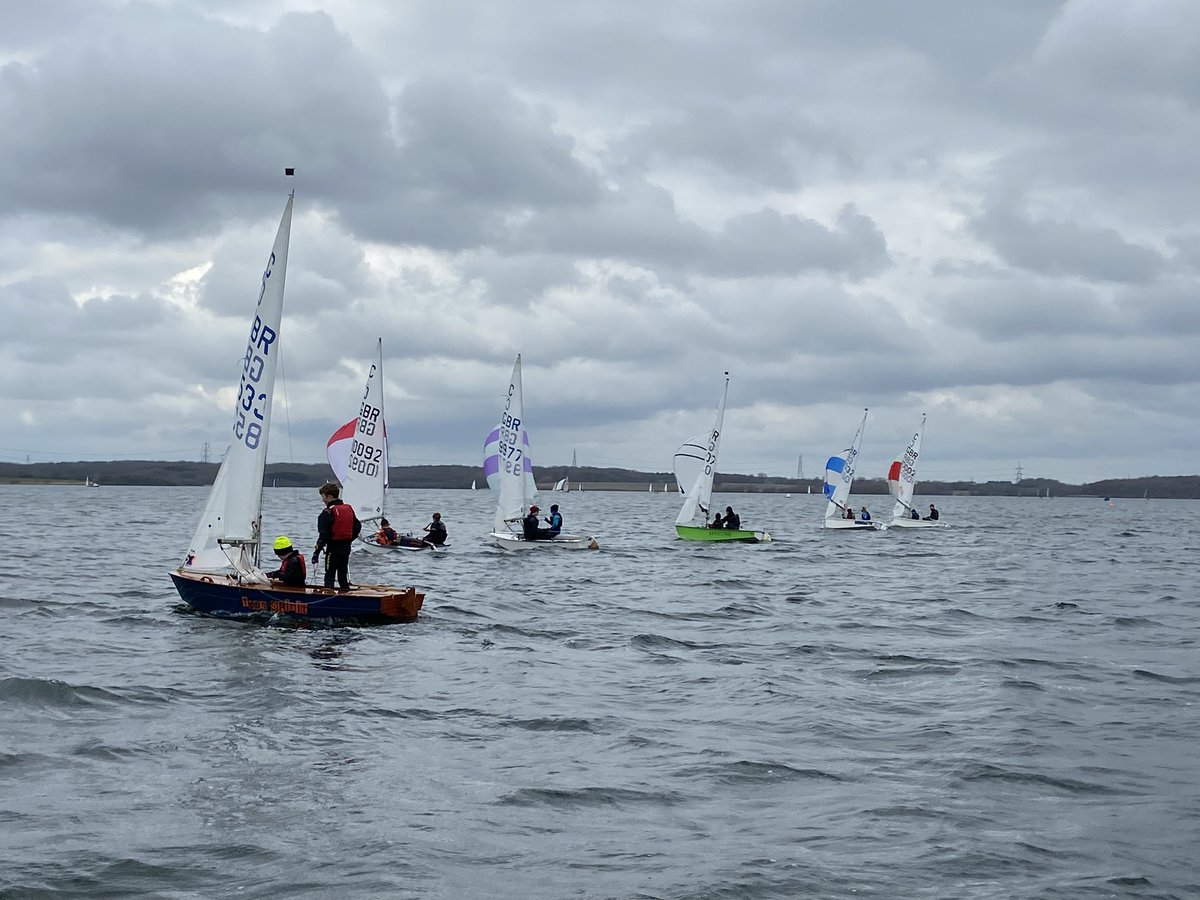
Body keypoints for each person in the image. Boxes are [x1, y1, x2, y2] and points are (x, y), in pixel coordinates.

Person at [312, 481, 361, 591]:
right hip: (346, 548)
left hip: (333, 549)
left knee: (329, 575)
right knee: (342, 576)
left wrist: (316, 552)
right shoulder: (348, 509)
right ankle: (346, 596)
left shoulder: (326, 513)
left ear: (329, 496)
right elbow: (357, 527)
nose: (322, 500)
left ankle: (327, 601)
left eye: (323, 497)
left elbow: (323, 536)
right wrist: (349, 539)